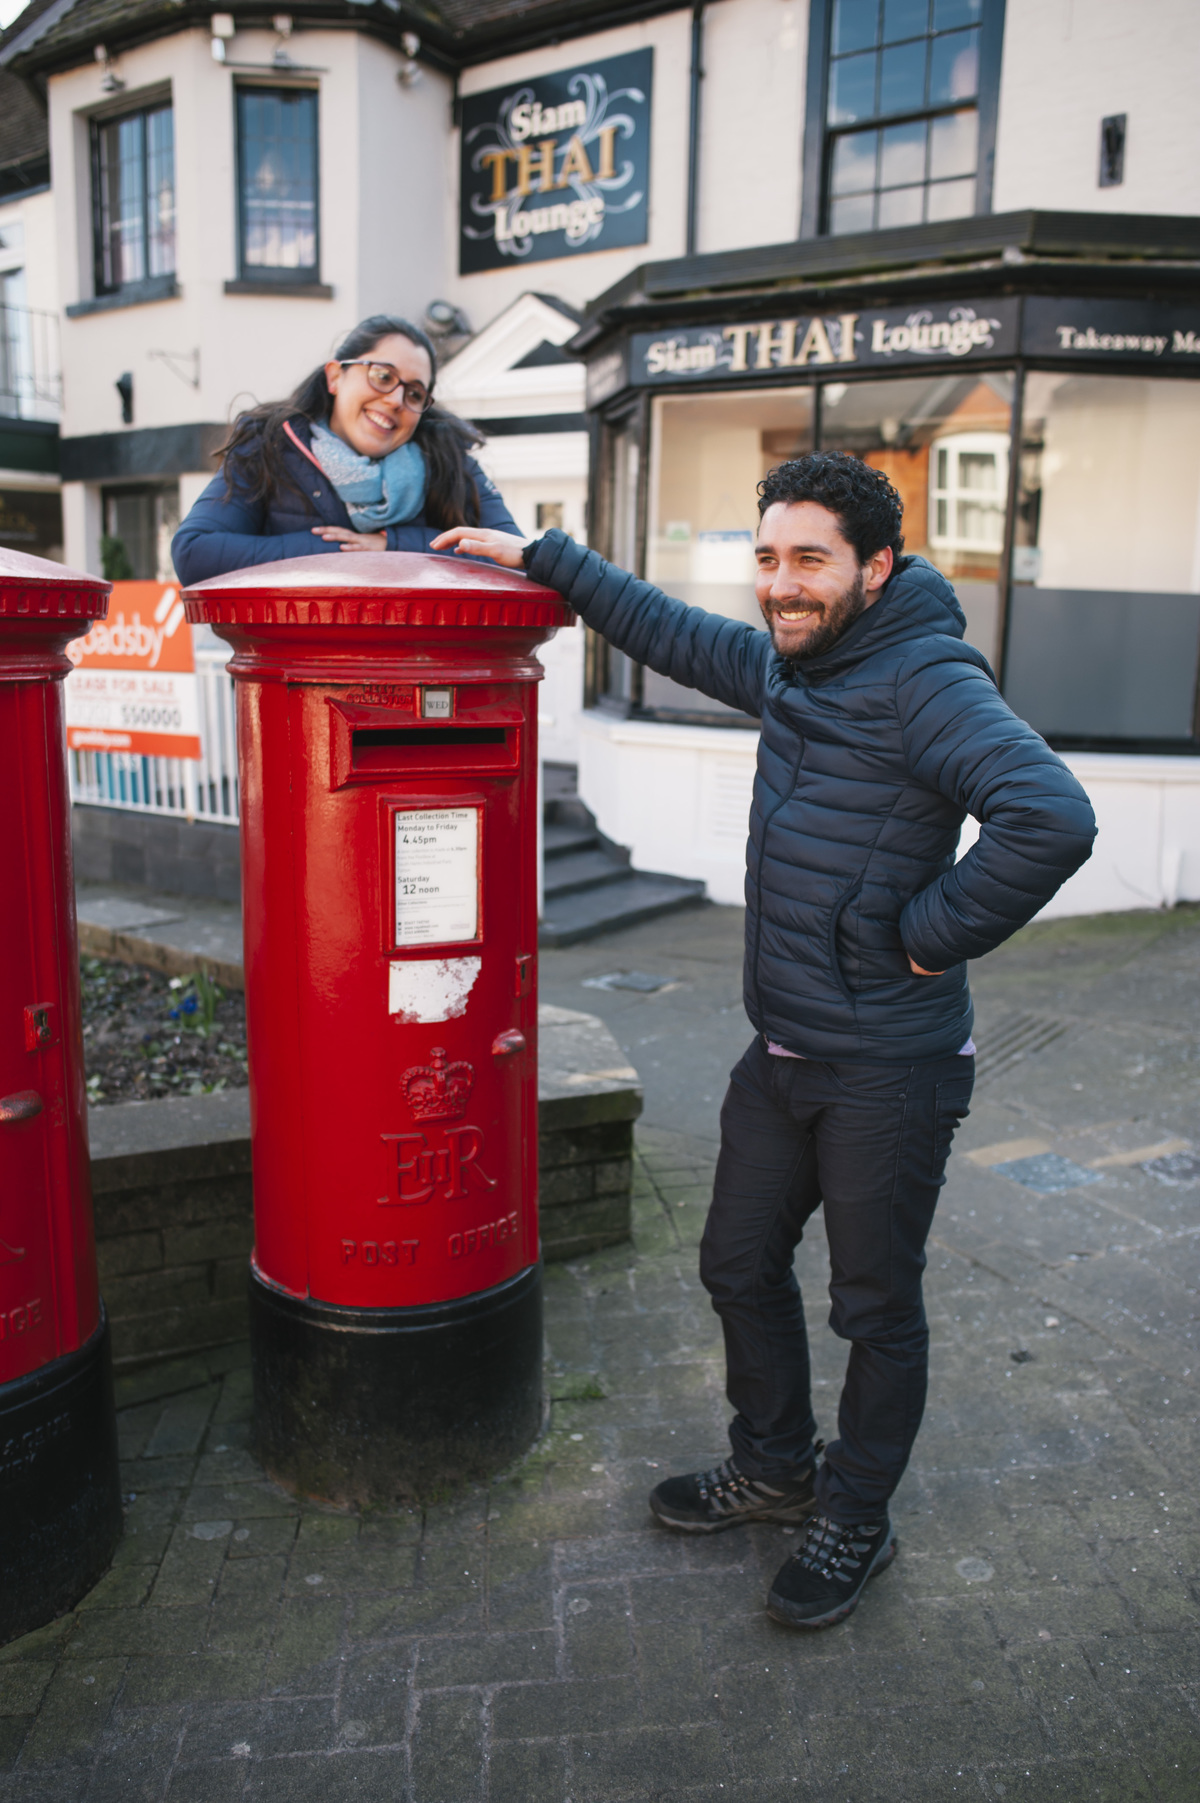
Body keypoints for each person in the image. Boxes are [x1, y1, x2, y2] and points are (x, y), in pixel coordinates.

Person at [431, 452, 1097, 1631]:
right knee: (736, 1264)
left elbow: (1051, 816)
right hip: (782, 1048)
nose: (781, 586)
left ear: (876, 569)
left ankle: (856, 1512)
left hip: (890, 1069)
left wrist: (929, 939)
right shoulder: (799, 665)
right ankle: (777, 1467)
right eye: (770, 560)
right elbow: (673, 633)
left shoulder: (924, 677)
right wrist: (544, 557)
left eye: (811, 562)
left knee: (874, 1307)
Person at [171, 315, 519, 585]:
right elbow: (194, 553)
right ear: (335, 376)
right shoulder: (268, 444)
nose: (396, 400)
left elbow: (516, 557)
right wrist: (341, 551)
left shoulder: (451, 461)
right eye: (383, 377)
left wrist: (391, 545)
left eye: (414, 394)